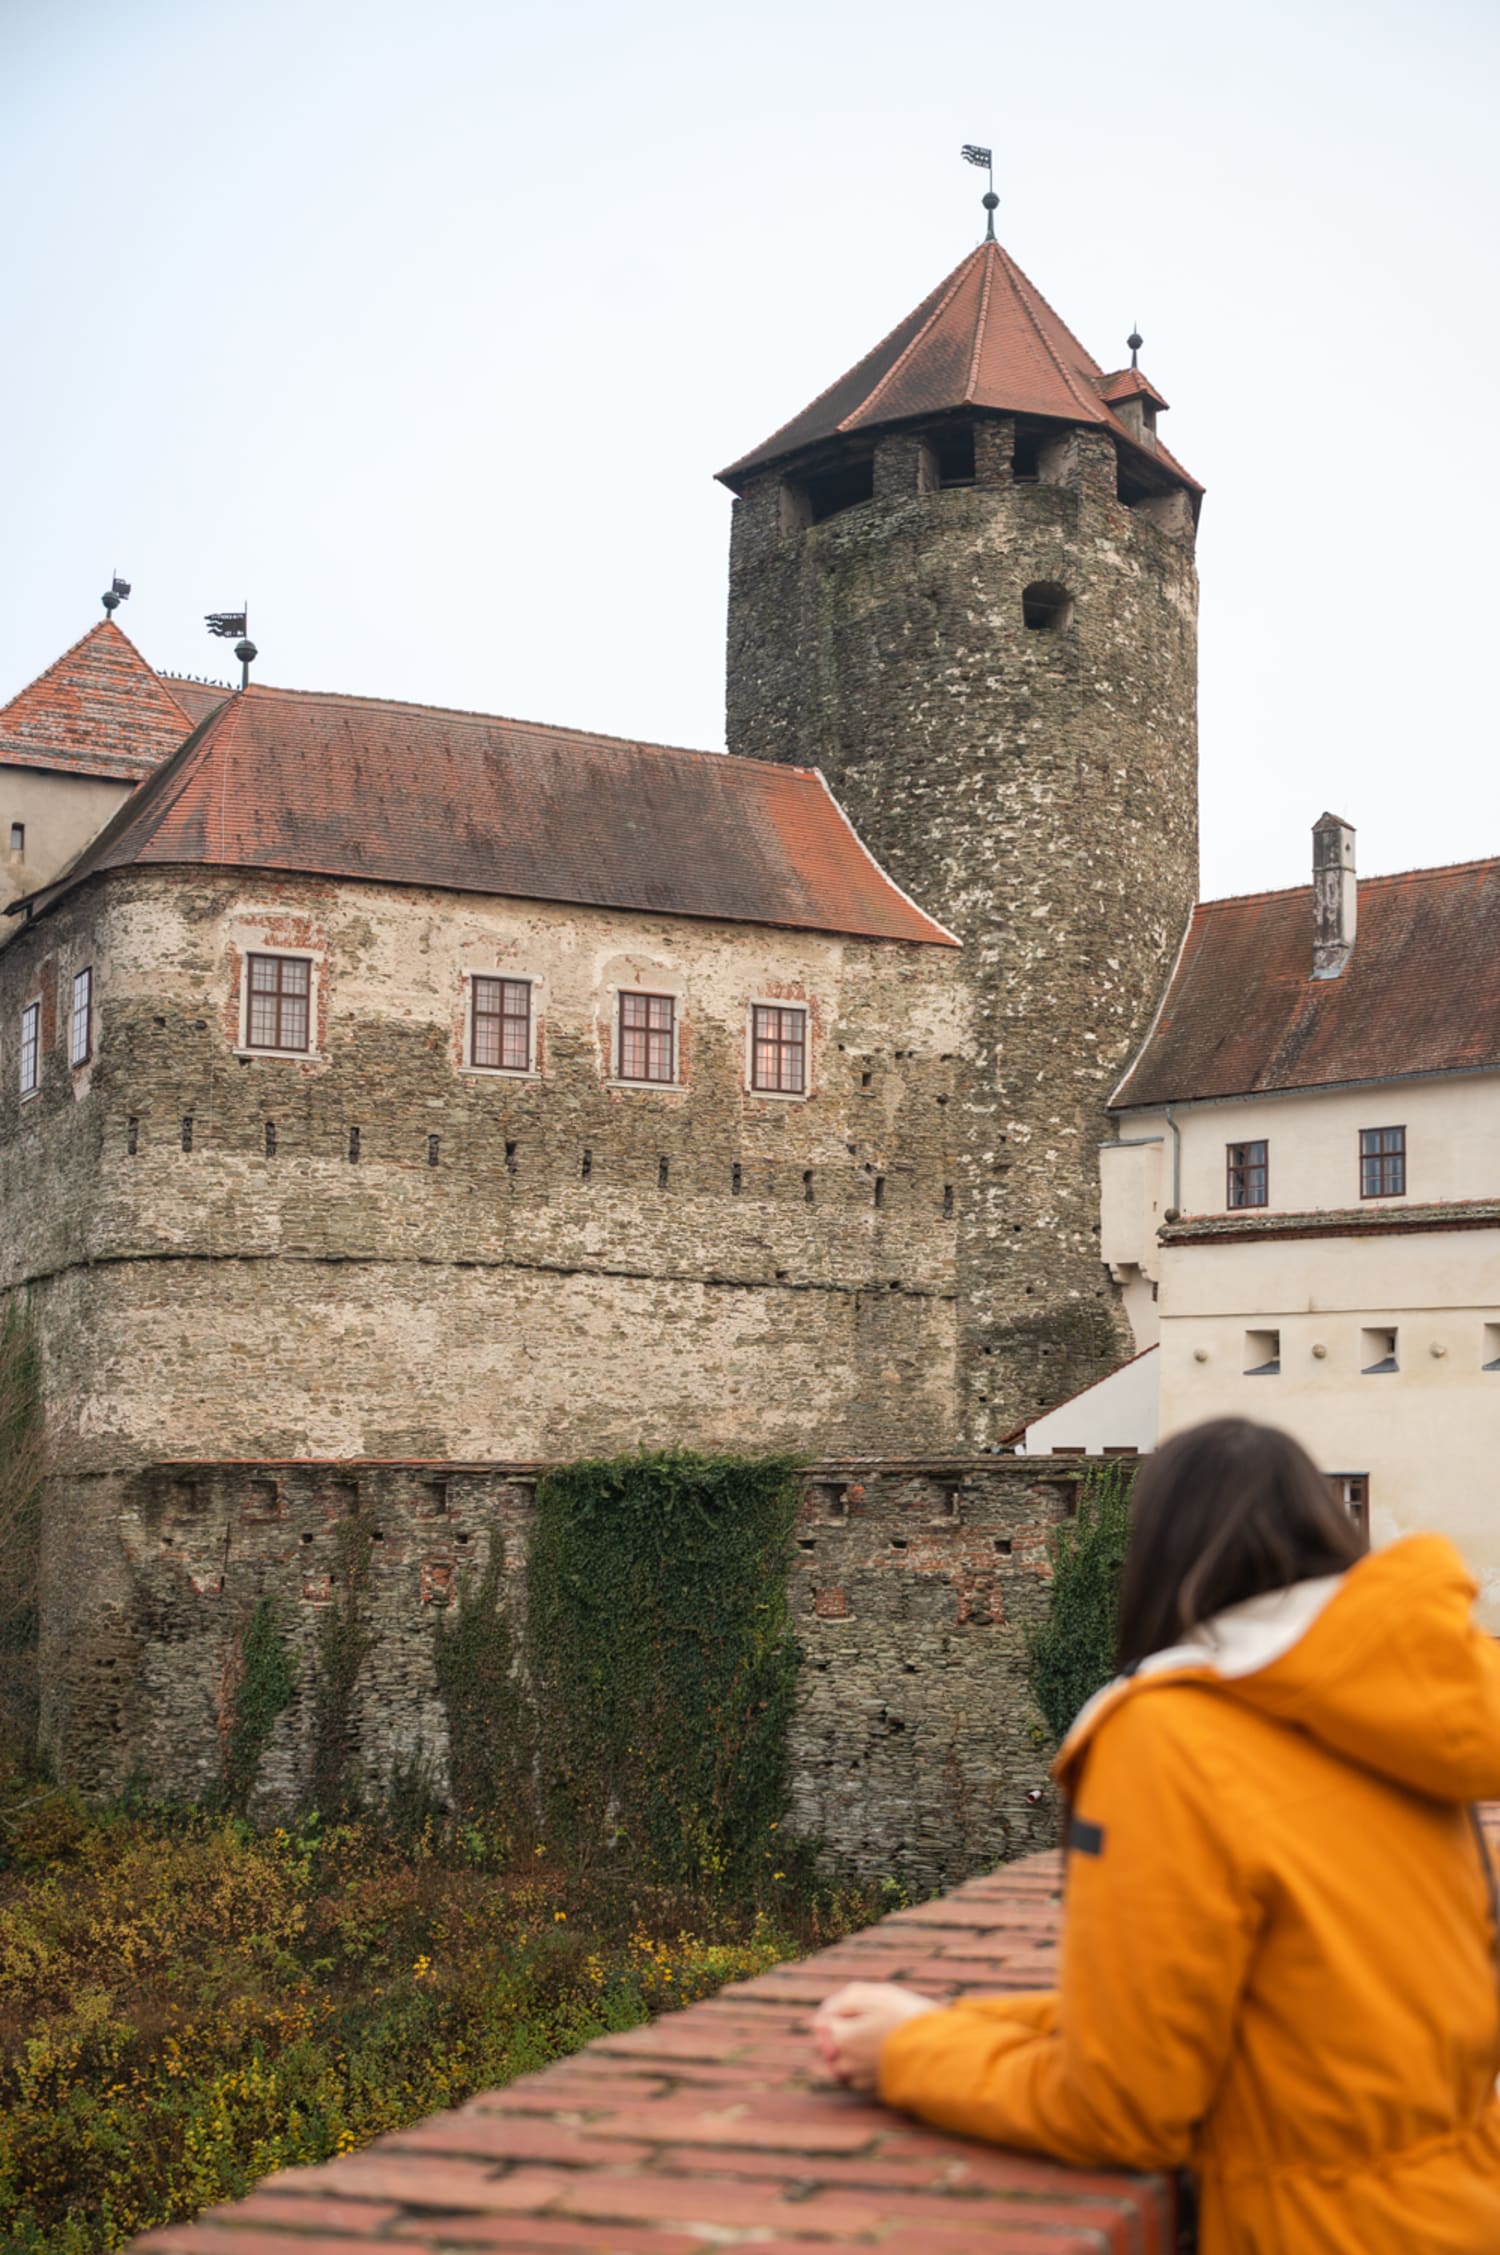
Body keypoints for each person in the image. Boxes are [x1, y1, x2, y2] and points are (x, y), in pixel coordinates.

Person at [813, 1417, 1500, 2253]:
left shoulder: (1168, 1737)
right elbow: (1291, 2014)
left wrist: (911, 2053)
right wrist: (964, 2020)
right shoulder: (1414, 1716)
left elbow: (1124, 2108)